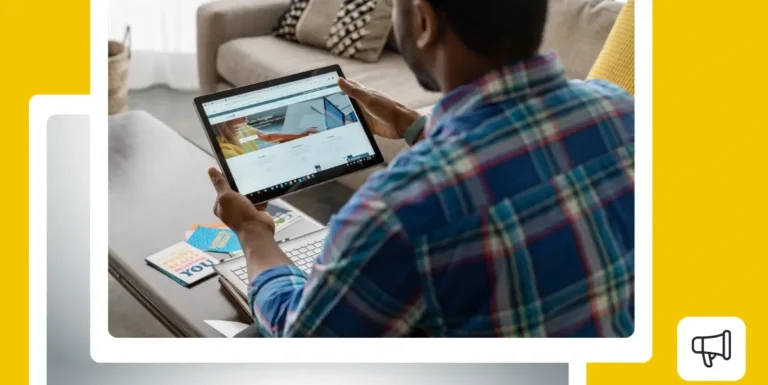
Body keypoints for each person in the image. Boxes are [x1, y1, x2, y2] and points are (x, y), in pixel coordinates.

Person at [207, 0, 635, 337]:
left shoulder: (399, 207)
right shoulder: (618, 110)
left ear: (424, 20)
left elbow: (302, 337)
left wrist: (253, 232)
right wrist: (417, 127)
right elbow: (516, 161)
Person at [214, 117, 319, 159]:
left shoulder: (242, 128)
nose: (246, 118)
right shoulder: (226, 150)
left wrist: (300, 136)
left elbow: (269, 136)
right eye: (240, 116)